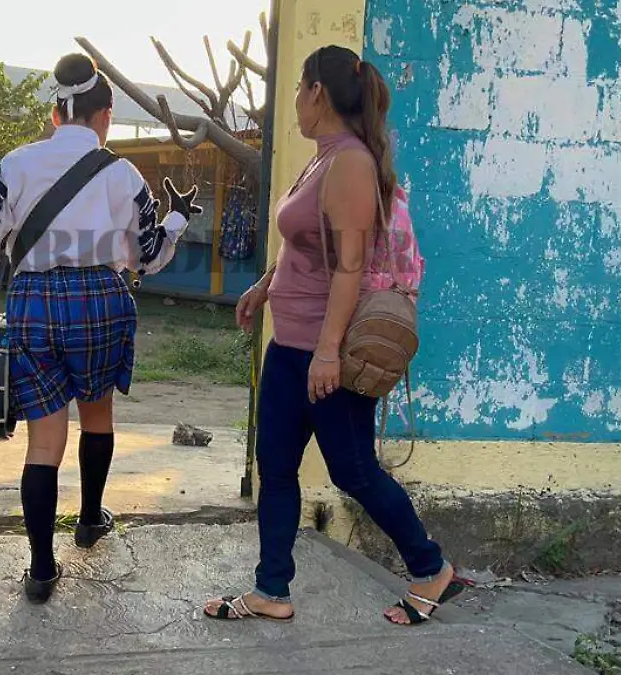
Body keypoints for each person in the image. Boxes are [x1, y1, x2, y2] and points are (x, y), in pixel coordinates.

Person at [0, 53, 203, 604]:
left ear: (56, 114)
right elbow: (146, 256)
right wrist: (177, 218)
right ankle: (91, 519)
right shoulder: (122, 174)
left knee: (45, 438)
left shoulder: (15, 165)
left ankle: (43, 567)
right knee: (97, 415)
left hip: (34, 303)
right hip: (101, 302)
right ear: (107, 115)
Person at [202, 45, 464, 626]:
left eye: (298, 87)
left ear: (316, 92)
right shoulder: (320, 159)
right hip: (289, 345)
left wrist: (327, 352)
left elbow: (350, 266)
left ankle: (430, 569)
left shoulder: (351, 163)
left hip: (327, 354)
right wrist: (266, 285)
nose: (294, 99)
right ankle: (272, 589)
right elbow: (306, 242)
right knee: (276, 467)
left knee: (353, 472)